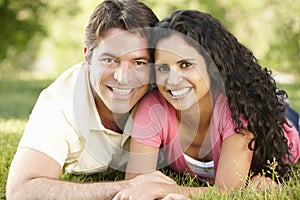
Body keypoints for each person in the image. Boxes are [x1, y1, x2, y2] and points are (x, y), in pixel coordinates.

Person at [114, 10, 300, 199]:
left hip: (284, 124)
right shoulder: (153, 108)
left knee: (283, 108)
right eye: (163, 68)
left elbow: (227, 191)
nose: (172, 79)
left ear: (212, 65)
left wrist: (162, 189)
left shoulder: (238, 109)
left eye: (185, 65)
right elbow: (137, 183)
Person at [6, 0, 176, 199]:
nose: (123, 77)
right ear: (88, 57)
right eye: (110, 60)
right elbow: (22, 191)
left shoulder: (166, 91)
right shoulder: (59, 105)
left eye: (139, 62)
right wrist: (130, 186)